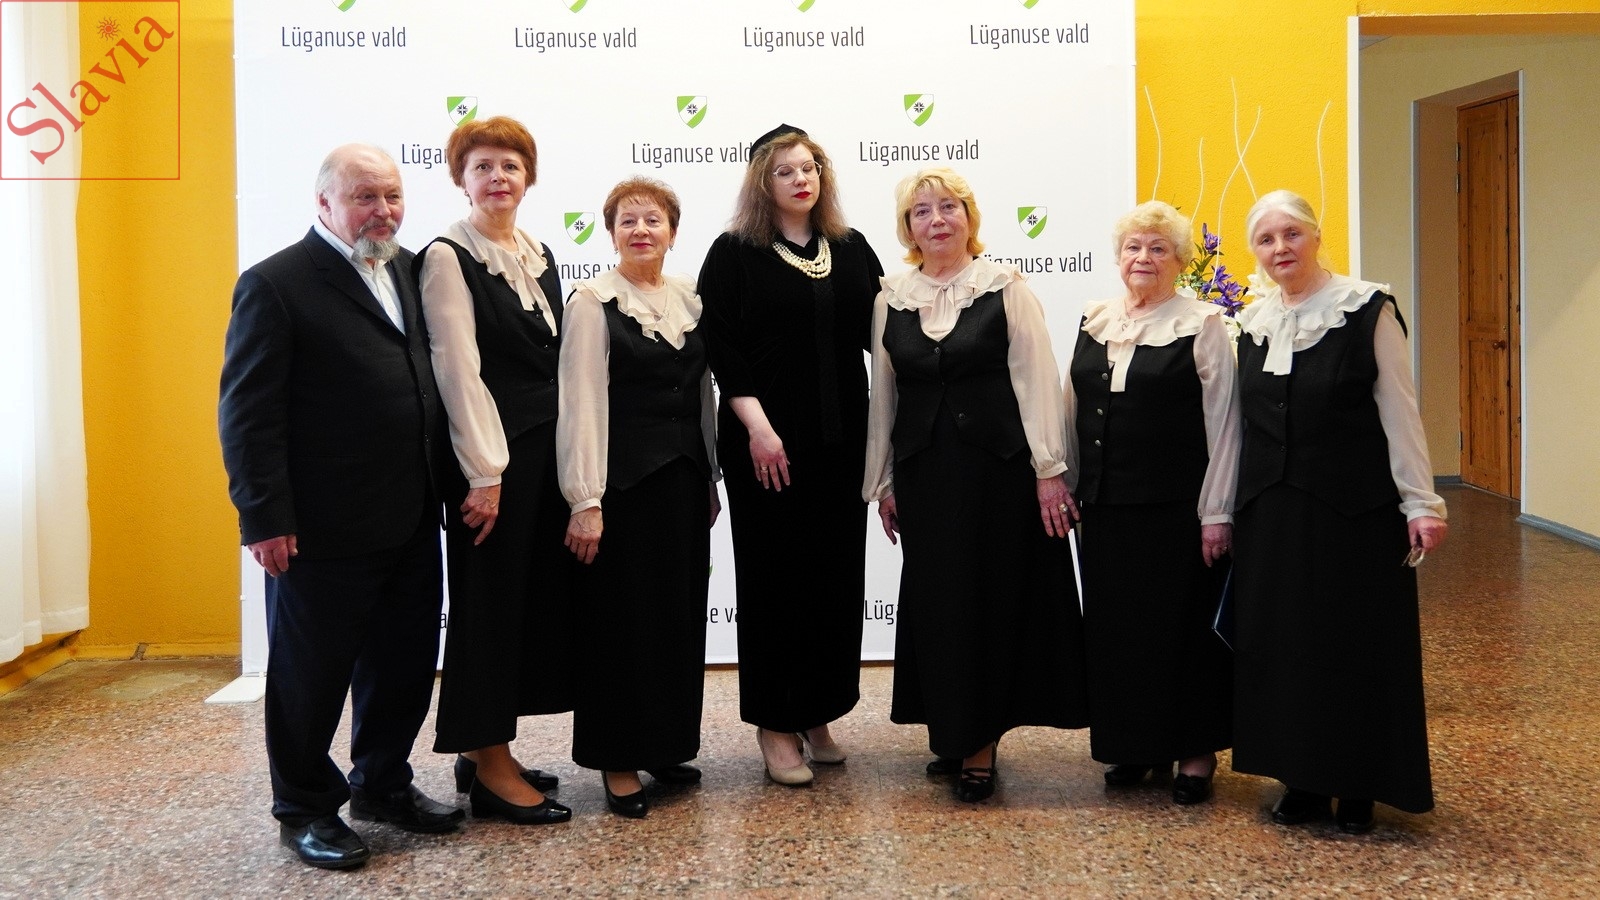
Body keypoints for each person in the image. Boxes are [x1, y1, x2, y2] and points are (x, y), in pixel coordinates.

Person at [219, 144, 462, 870]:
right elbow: (248, 415)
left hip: (412, 514)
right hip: (320, 529)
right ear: (324, 203)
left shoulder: (414, 269)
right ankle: (303, 809)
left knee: (402, 666)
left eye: (392, 196)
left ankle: (382, 784)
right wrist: (264, 517)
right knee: (310, 678)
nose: (382, 211)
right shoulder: (276, 284)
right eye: (364, 197)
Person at [864, 167, 1089, 803]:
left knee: (987, 604)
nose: (936, 220)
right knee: (941, 606)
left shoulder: (1005, 287)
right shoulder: (890, 297)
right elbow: (885, 394)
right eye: (922, 211)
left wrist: (1050, 472)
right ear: (908, 228)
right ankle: (956, 728)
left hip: (998, 476)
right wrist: (883, 480)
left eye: (948, 207)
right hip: (926, 476)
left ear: (969, 217)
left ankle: (980, 745)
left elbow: (1037, 382)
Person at [1231, 189, 1449, 834]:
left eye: (1291, 234)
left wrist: (1422, 501)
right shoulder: (1252, 321)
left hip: (1353, 513)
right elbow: (1240, 426)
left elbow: (1400, 409)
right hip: (1273, 515)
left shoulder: (1367, 309)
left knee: (1352, 646)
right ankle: (1301, 777)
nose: (1280, 248)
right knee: (1288, 649)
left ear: (1316, 236)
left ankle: (1359, 785)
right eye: (1266, 239)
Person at [697, 124, 884, 786]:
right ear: (762, 182)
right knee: (776, 584)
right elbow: (722, 349)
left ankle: (817, 712)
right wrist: (758, 428)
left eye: (809, 168)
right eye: (785, 171)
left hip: (841, 444)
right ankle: (776, 726)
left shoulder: (851, 248)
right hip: (766, 446)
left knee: (834, 581)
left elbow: (887, 332)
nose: (801, 179)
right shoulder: (732, 253)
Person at [417, 117, 572, 826]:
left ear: (528, 176)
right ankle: (489, 765)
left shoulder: (538, 254)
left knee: (521, 605)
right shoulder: (448, 256)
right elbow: (457, 369)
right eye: (482, 166)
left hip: (541, 456)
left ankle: (484, 750)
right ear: (461, 178)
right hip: (491, 463)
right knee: (488, 608)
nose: (498, 177)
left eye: (510, 164)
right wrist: (486, 472)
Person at [1064, 201, 1240, 806]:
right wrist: (1066, 483)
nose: (1143, 257)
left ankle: (1194, 752)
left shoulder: (1202, 323)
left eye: (1158, 248)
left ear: (1180, 260)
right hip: (1104, 506)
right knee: (1119, 630)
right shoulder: (1094, 319)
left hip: (1177, 509)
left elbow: (1226, 426)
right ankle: (1136, 744)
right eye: (1134, 247)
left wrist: (1217, 512)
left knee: (1181, 628)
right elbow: (1072, 407)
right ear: (1119, 257)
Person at [557, 177, 721, 819]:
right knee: (620, 624)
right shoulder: (592, 302)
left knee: (675, 617)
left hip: (682, 485)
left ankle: (665, 744)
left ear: (672, 232)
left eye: (653, 220)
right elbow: (581, 403)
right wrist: (585, 499)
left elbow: (703, 395)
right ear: (611, 233)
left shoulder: (689, 299)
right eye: (627, 221)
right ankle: (618, 758)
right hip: (620, 489)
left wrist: (709, 476)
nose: (641, 230)